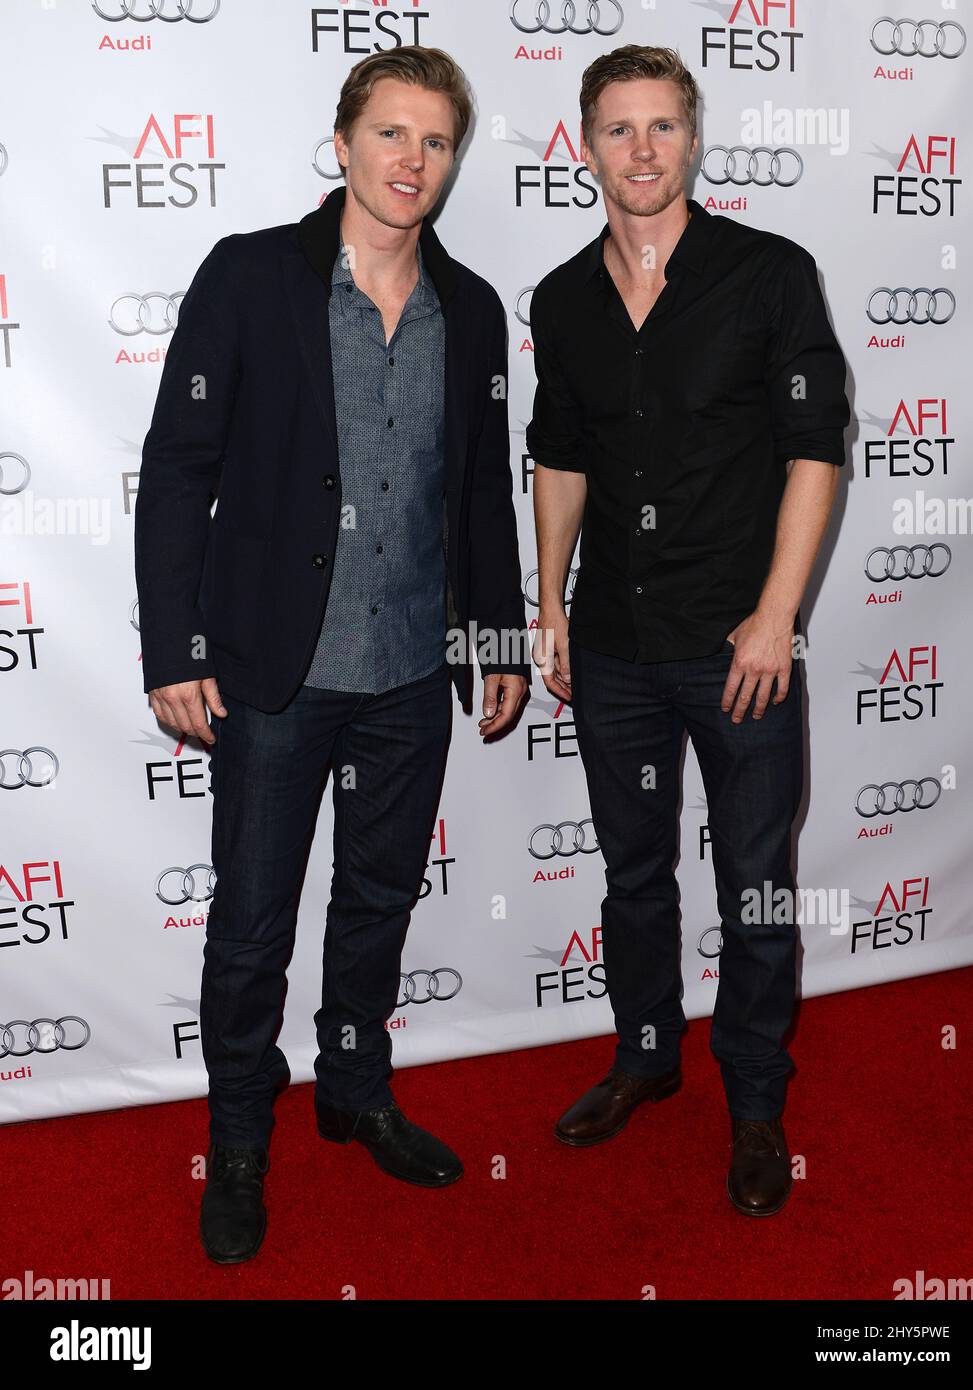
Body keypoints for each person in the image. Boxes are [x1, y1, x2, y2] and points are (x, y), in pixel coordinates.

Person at [134, 45, 530, 1264]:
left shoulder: (471, 309)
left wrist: (495, 634)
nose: (411, 161)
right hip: (271, 674)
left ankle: (356, 1092)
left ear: (453, 160)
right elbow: (178, 472)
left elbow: (478, 490)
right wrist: (172, 644)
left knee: (375, 902)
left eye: (436, 141)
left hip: (411, 673)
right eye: (391, 134)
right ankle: (242, 1139)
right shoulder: (252, 278)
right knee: (252, 924)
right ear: (344, 139)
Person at [526, 44, 850, 1217]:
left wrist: (777, 614)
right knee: (633, 873)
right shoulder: (560, 300)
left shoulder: (768, 274)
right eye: (619, 129)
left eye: (664, 126)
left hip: (738, 648)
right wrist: (548, 602)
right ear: (584, 146)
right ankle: (647, 1055)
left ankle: (756, 1099)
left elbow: (816, 451)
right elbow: (556, 457)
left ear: (695, 137)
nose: (643, 150)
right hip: (612, 642)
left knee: (756, 879)